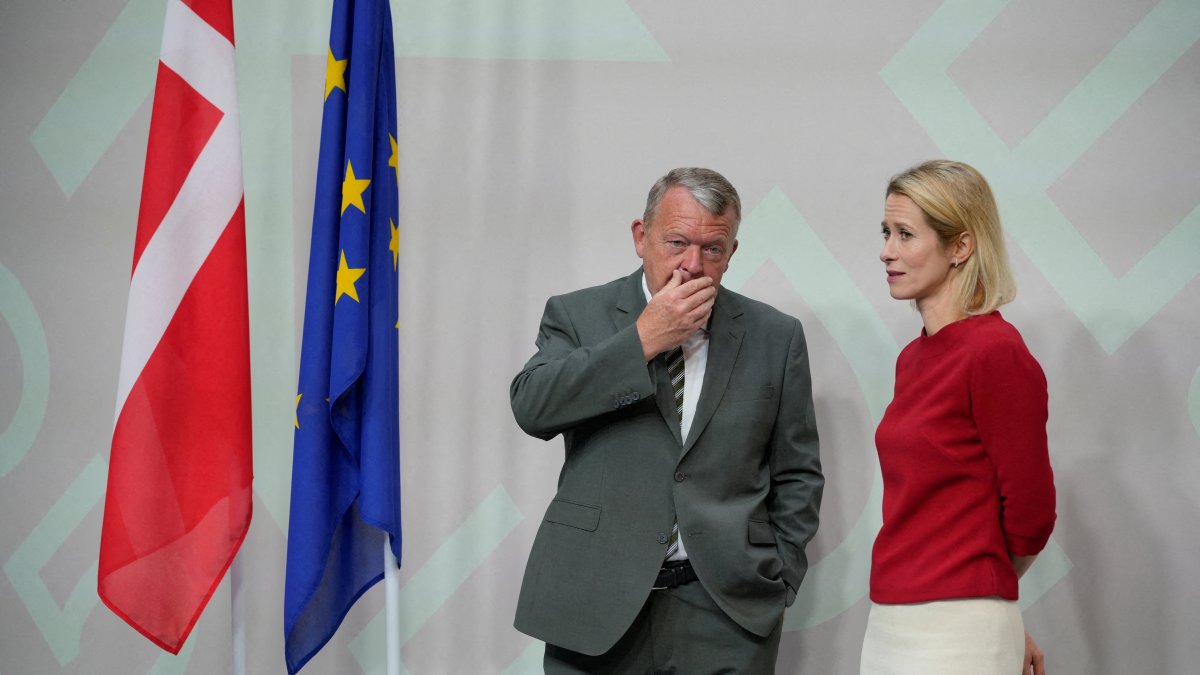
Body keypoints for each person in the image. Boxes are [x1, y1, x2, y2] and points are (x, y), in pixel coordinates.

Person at [510, 167, 824, 673]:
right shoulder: (577, 315)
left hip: (726, 612)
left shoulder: (775, 336)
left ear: (732, 253)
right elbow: (532, 407)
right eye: (676, 242)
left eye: (713, 249)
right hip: (596, 606)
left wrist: (778, 576)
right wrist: (643, 339)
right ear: (641, 237)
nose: (692, 265)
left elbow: (797, 472)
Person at [862, 160, 1057, 675]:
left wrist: (989, 604)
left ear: (961, 247)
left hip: (957, 631)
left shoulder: (994, 351)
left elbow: (1032, 510)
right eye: (887, 232)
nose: (887, 251)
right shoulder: (914, 357)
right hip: (890, 620)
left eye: (906, 234)